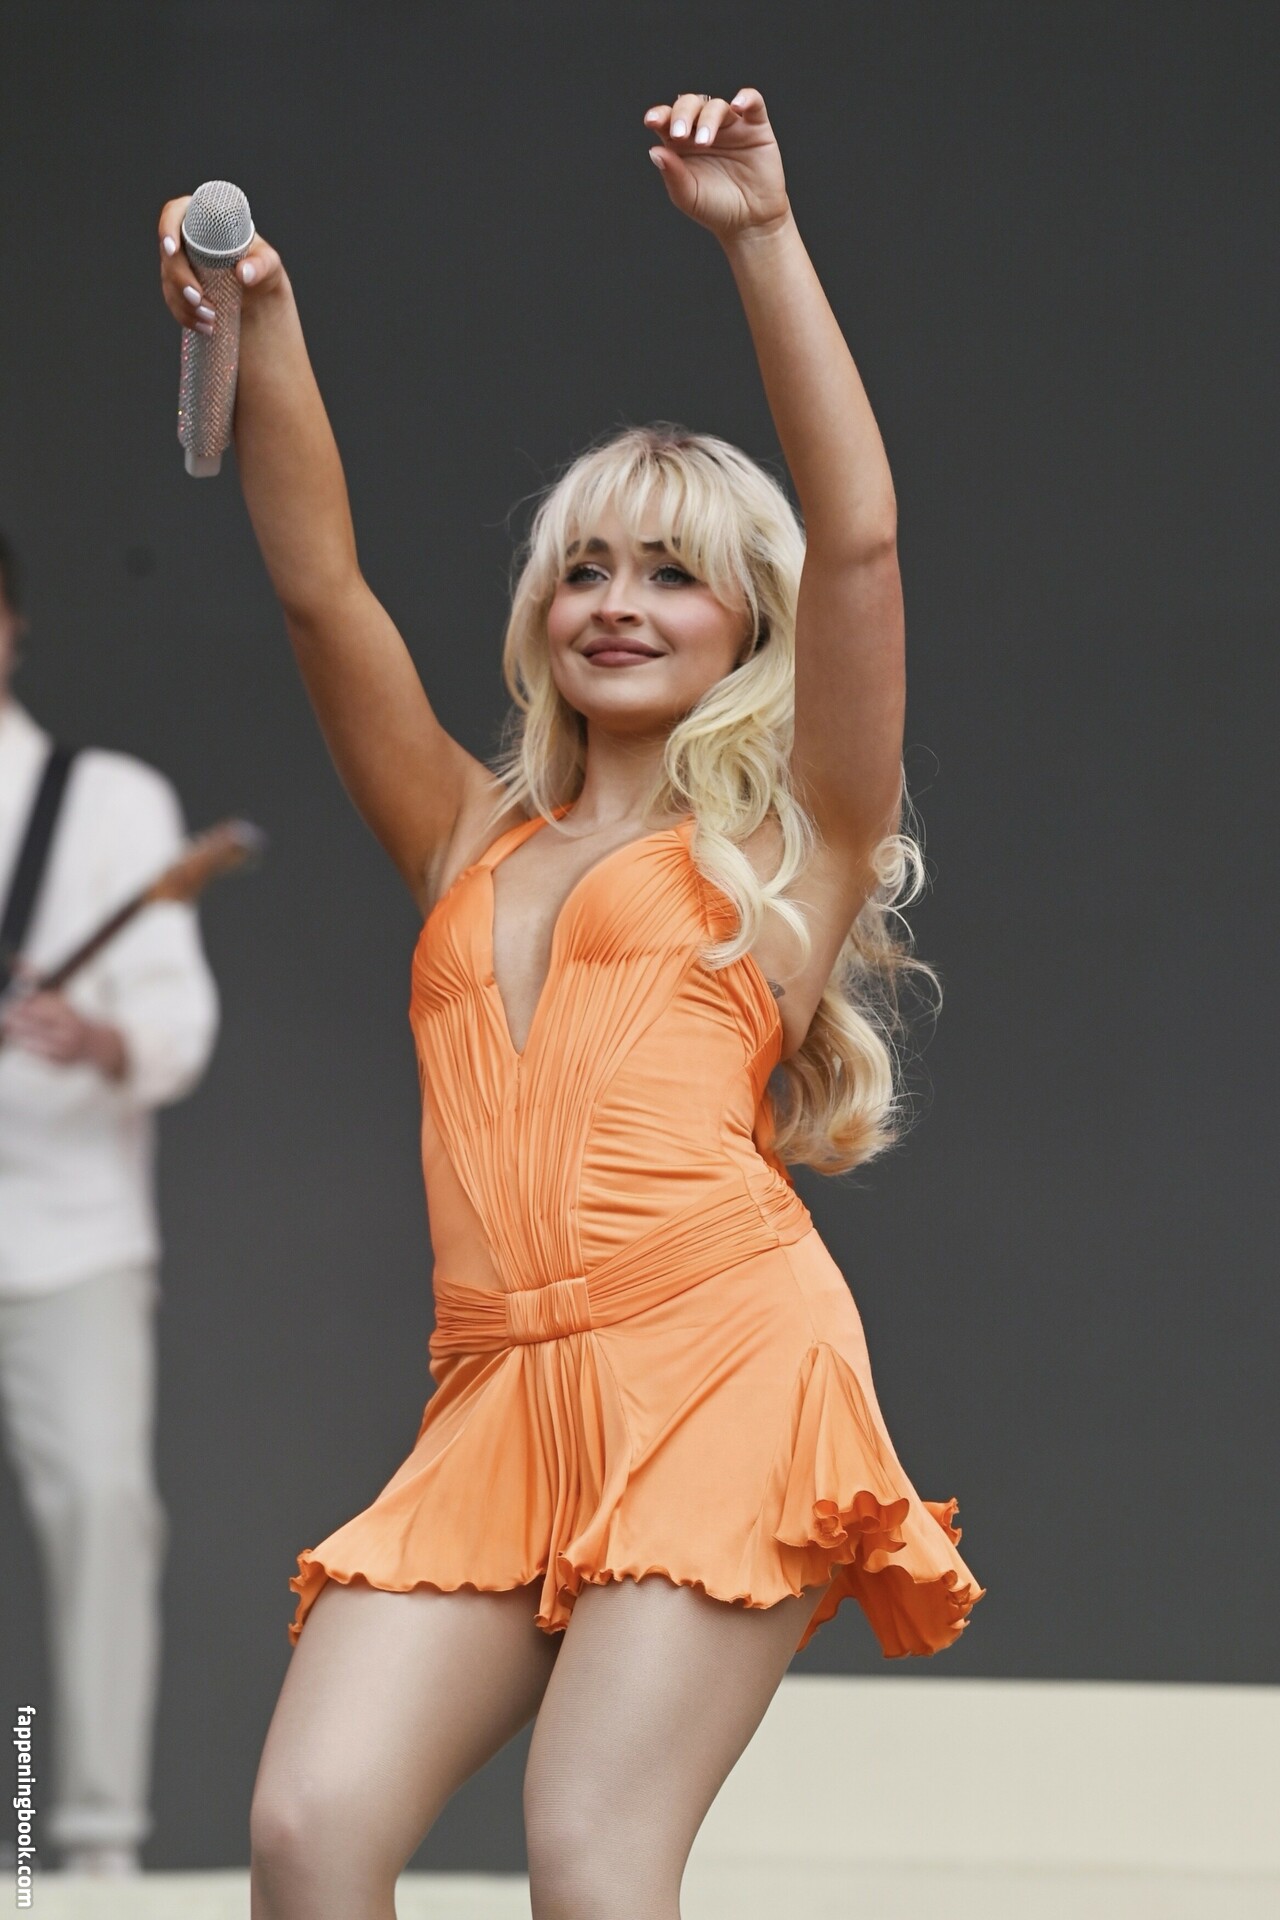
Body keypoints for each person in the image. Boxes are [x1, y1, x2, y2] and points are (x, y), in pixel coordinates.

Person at [158, 83, 983, 1920]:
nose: (619, 602)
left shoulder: (790, 843)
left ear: (747, 626)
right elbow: (323, 594)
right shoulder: (466, 833)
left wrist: (761, 235)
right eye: (586, 568)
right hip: (496, 1389)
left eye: (675, 574)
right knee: (307, 1832)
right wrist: (262, 318)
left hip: (719, 1357)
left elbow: (859, 544)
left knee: (591, 1861)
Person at [0, 529, 220, 1877]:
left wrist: (97, 1040)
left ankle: (89, 1847)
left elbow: (179, 1026)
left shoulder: (106, 802)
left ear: (13, 626)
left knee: (100, 1506)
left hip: (66, 1235)